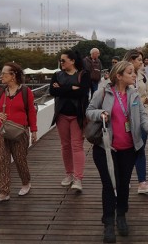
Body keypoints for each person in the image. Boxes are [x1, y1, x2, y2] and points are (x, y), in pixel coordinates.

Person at [86, 61, 148, 243]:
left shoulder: (134, 94)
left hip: (129, 149)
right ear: (118, 76)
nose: (134, 75)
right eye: (130, 72)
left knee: (124, 184)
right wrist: (101, 113)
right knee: (110, 185)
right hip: (106, 149)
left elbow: (142, 115)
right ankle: (109, 222)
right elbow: (89, 111)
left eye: (134, 72)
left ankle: (121, 216)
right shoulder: (102, 92)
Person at [0, 62, 38, 204]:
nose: (1, 76)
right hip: (2, 131)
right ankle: (4, 192)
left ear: (13, 75)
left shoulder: (25, 92)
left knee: (20, 159)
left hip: (20, 131)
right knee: (2, 160)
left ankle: (26, 182)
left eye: (4, 73)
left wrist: (34, 131)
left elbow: (31, 112)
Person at [50, 50, 91, 191]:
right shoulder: (56, 75)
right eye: (60, 60)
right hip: (61, 115)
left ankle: (78, 178)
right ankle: (69, 174)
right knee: (65, 146)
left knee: (77, 146)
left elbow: (83, 92)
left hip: (77, 116)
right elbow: (52, 91)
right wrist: (70, 88)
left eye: (63, 60)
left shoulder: (83, 75)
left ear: (72, 61)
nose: (61, 63)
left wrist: (62, 89)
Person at [123, 49, 148, 194]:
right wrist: (139, 101)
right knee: (125, 149)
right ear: (131, 60)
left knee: (140, 149)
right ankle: (124, 179)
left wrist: (144, 99)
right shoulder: (121, 76)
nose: (142, 63)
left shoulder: (143, 76)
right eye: (139, 60)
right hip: (125, 118)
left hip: (143, 117)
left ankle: (142, 182)